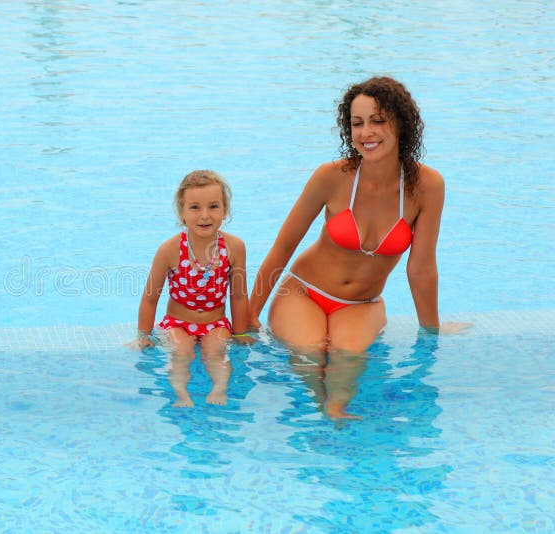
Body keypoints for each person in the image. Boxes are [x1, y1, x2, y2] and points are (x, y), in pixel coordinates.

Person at [249, 76, 469, 418]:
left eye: (378, 121)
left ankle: (336, 414)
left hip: (361, 304)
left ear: (401, 123)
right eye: (357, 123)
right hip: (304, 292)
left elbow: (421, 267)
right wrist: (247, 318)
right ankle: (324, 412)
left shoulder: (427, 186)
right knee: (310, 354)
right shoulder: (332, 177)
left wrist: (431, 333)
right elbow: (282, 248)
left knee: (347, 359)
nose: (367, 132)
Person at [134, 170, 255, 407]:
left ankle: (219, 389)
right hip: (177, 324)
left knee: (216, 352)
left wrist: (240, 333)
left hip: (215, 323)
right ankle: (181, 393)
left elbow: (239, 296)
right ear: (181, 212)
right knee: (182, 352)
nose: (204, 216)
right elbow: (150, 298)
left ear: (225, 210)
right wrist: (144, 336)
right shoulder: (169, 250)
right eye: (194, 208)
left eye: (213, 206)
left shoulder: (234, 247)